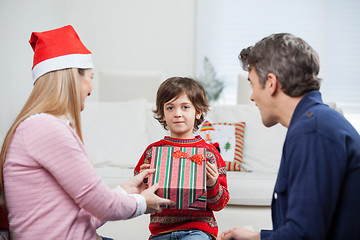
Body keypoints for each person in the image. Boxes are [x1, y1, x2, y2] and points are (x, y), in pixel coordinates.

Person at [0, 25, 173, 240]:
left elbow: (80, 217)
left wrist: (124, 191)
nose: (91, 87)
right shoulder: (46, 129)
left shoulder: (39, 127)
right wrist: (143, 203)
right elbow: (102, 206)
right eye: (90, 77)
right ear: (73, 77)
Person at [218, 33, 360, 240]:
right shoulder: (316, 122)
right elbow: (311, 226)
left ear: (271, 83)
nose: (251, 96)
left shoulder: (313, 131)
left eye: (252, 84)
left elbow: (304, 235)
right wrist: (256, 237)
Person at [134, 77, 230, 240]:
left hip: (198, 231)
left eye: (185, 107)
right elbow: (139, 200)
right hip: (160, 233)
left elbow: (219, 203)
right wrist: (142, 184)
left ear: (198, 112)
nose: (177, 114)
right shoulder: (153, 152)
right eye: (170, 108)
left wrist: (212, 184)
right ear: (162, 114)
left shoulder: (209, 153)